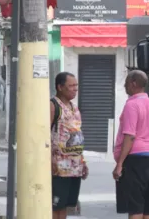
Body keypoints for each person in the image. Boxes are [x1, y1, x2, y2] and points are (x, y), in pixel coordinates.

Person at [113, 70, 149, 219]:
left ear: (133, 83)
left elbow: (130, 136)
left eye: (126, 83)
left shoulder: (132, 105)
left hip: (135, 160)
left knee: (135, 206)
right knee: (148, 208)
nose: (124, 86)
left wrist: (120, 164)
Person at [51, 72, 89, 219]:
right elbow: (45, 134)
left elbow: (77, 136)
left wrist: (82, 162)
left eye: (76, 86)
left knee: (66, 206)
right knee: (56, 206)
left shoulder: (75, 108)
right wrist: (50, 158)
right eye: (71, 86)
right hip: (59, 167)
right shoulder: (53, 106)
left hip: (74, 166)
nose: (75, 89)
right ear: (60, 87)